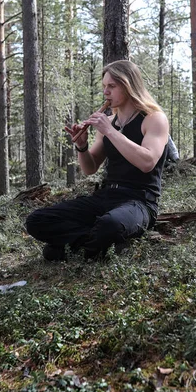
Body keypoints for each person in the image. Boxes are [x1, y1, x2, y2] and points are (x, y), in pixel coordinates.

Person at [26, 60, 169, 261]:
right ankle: (96, 245)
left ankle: (68, 249)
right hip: (107, 195)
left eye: (112, 86)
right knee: (37, 220)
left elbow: (147, 162)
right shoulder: (110, 122)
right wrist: (82, 146)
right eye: (104, 86)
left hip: (140, 201)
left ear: (128, 85)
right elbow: (90, 168)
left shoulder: (154, 119)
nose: (106, 92)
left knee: (110, 224)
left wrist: (109, 131)